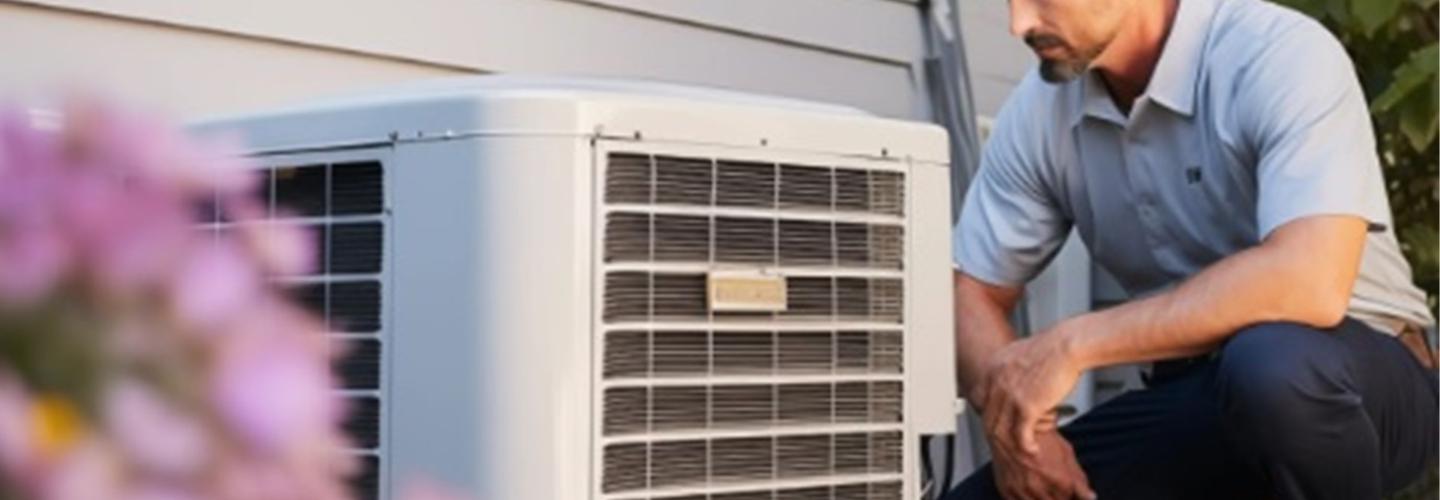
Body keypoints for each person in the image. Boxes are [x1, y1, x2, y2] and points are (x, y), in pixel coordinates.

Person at [944, 0, 1438, 498]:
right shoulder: (1039, 112)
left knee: (1269, 367)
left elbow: (1311, 282)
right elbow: (972, 291)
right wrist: (1025, 436)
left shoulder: (1275, 52)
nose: (1018, 24)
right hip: (1197, 395)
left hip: (1354, 380)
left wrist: (1072, 344)